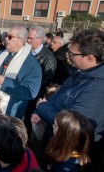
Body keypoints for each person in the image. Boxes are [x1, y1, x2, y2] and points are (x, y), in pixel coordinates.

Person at [31, 29, 104, 168]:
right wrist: (40, 111)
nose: (68, 57)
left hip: (71, 156)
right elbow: (60, 96)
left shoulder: (98, 88)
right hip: (55, 144)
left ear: (90, 58)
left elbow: (72, 125)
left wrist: (42, 108)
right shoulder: (80, 73)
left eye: (72, 54)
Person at [0, 26, 42, 119]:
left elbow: (30, 92)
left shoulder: (32, 65)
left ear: (21, 40)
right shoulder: (2, 53)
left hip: (10, 112)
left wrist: (4, 82)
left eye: (10, 37)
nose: (6, 39)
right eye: (6, 36)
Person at [25, 26, 57, 135]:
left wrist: (28, 82)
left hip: (35, 96)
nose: (28, 40)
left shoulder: (48, 57)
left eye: (31, 38)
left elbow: (47, 79)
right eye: (27, 38)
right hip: (24, 93)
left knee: (28, 122)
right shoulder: (26, 52)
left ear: (39, 39)